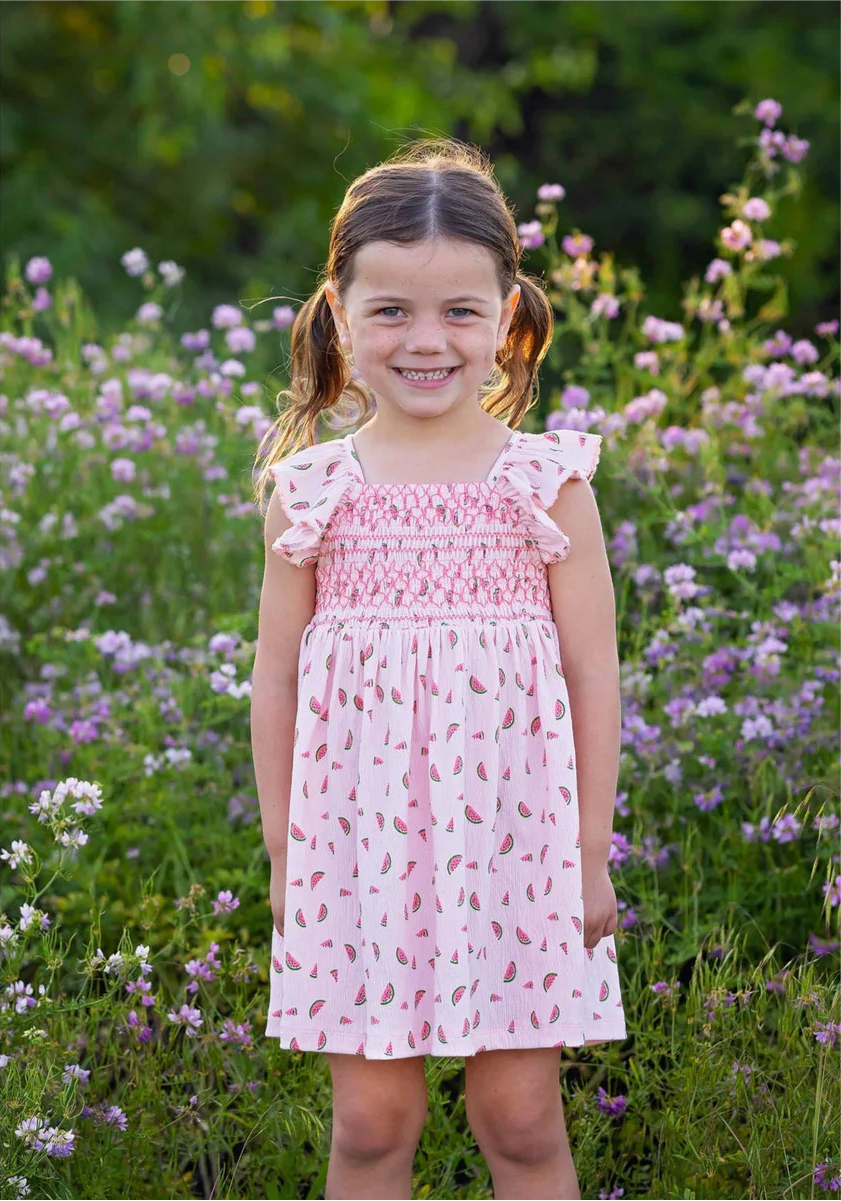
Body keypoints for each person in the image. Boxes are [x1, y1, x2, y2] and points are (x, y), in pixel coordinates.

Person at [250, 139, 626, 1201]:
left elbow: (592, 674)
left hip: (521, 845)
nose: (426, 341)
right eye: (391, 312)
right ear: (338, 313)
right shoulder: (312, 492)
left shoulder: (545, 484)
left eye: (460, 311)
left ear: (508, 315)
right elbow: (274, 678)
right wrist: (287, 855)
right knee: (372, 1125)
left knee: (518, 1118)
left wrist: (589, 853)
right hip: (354, 849)